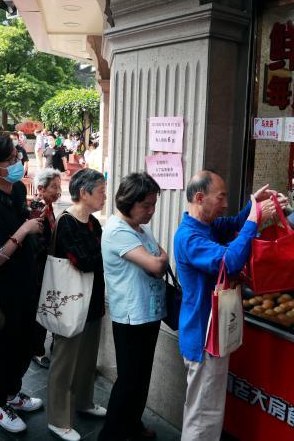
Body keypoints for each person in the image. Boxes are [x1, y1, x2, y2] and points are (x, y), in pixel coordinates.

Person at [174, 171, 277, 440]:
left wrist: (252, 205)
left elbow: (233, 222)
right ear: (200, 197)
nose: (225, 203)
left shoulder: (206, 226)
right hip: (203, 336)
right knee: (203, 414)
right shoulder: (190, 238)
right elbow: (229, 261)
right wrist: (255, 220)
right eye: (221, 197)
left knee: (204, 407)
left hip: (212, 331)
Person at [0, 132, 45, 433]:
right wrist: (24, 230)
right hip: (2, 291)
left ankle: (13, 394)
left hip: (26, 282)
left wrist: (33, 215)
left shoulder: (14, 189)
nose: (18, 164)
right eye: (10, 161)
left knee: (24, 342)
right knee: (2, 348)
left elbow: (23, 220)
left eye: (17, 157)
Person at [99, 172, 167, 441]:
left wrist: (159, 260)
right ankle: (110, 435)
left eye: (153, 204)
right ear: (128, 202)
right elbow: (158, 263)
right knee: (128, 381)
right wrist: (158, 260)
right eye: (146, 206)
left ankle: (133, 426)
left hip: (149, 312)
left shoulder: (142, 228)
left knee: (141, 378)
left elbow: (161, 259)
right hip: (130, 316)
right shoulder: (117, 231)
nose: (151, 211)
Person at [46, 168, 107, 441]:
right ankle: (58, 419)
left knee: (86, 359)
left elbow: (96, 258)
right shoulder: (68, 222)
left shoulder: (93, 223)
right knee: (65, 363)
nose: (105, 196)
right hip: (70, 304)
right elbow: (85, 261)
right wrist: (105, 254)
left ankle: (84, 401)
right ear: (84, 192)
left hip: (92, 302)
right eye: (101, 192)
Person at [29, 168, 62, 368]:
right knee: (39, 309)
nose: (59, 191)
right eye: (54, 187)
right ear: (41, 188)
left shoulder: (47, 206)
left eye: (60, 186)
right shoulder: (37, 208)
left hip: (46, 266)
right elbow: (37, 242)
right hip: (38, 269)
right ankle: (36, 350)